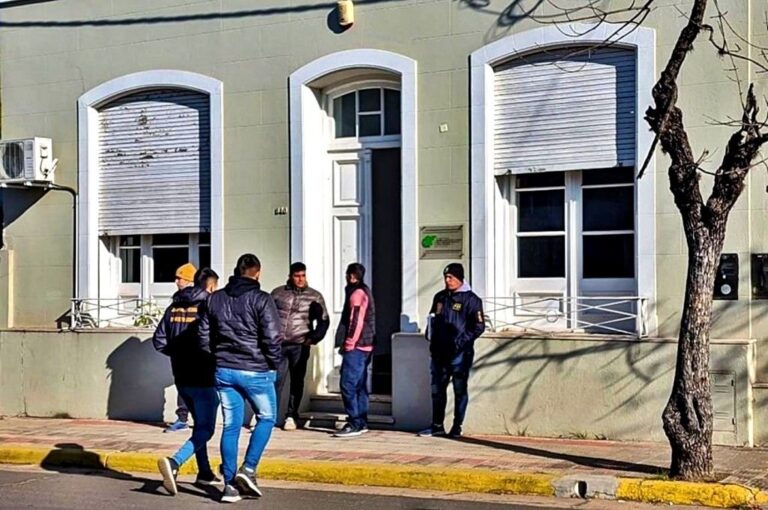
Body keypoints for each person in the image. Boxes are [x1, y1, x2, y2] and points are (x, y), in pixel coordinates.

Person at [199, 254, 282, 503]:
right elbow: (273, 337)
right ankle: (248, 469)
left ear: (236, 271)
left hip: (224, 370)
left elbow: (203, 335)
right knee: (267, 417)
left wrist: (217, 357)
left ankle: (229, 486)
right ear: (257, 273)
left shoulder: (215, 298)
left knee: (231, 426)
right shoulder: (262, 299)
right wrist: (273, 364)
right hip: (256, 369)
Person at [153, 264, 221, 495]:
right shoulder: (207, 305)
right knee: (207, 428)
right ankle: (175, 462)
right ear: (210, 286)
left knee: (198, 425)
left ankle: (204, 471)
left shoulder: (173, 307)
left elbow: (159, 341)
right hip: (204, 376)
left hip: (181, 376)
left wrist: (179, 354)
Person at [419, 263, 485, 439]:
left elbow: (478, 327)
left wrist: (460, 342)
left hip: (459, 354)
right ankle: (437, 426)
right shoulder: (440, 297)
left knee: (459, 389)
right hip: (439, 353)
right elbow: (432, 319)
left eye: (451, 277)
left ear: (459, 278)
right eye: (446, 277)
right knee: (437, 390)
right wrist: (430, 336)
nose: (447, 281)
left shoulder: (471, 300)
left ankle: (457, 426)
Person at [271, 262, 330, 431]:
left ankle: (291, 415)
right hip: (279, 345)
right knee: (275, 380)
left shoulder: (314, 296)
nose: (300, 279)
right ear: (290, 276)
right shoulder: (278, 293)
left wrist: (312, 339)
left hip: (300, 344)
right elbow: (266, 316)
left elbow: (323, 321)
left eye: (303, 275)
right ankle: (269, 416)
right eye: (297, 276)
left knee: (297, 382)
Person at [332, 262, 375, 439]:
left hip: (357, 346)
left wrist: (349, 342)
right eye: (349, 274)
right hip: (366, 345)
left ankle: (355, 421)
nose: (351, 278)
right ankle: (362, 420)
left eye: (354, 275)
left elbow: (356, 320)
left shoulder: (357, 294)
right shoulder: (363, 291)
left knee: (348, 385)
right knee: (359, 385)